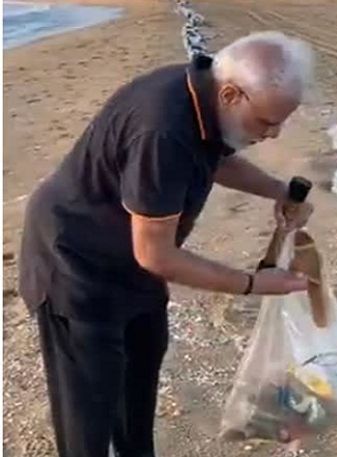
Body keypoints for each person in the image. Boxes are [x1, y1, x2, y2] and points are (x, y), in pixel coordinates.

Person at [18, 32, 315, 457]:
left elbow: (215, 157)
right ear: (232, 94)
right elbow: (156, 255)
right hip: (73, 262)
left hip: (132, 262)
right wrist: (251, 284)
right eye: (268, 122)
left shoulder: (207, 98)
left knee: (139, 376)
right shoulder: (162, 131)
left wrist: (277, 190)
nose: (275, 133)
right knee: (88, 408)